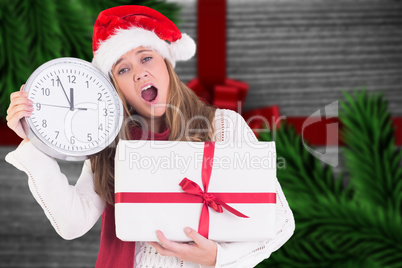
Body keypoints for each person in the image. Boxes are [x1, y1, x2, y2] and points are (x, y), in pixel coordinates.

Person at [5, 5, 295, 268]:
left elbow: (280, 223)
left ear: (167, 66)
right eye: (123, 69)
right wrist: (34, 143)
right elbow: (72, 223)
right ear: (115, 88)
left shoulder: (222, 126)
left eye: (146, 58)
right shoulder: (111, 143)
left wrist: (219, 257)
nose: (139, 73)